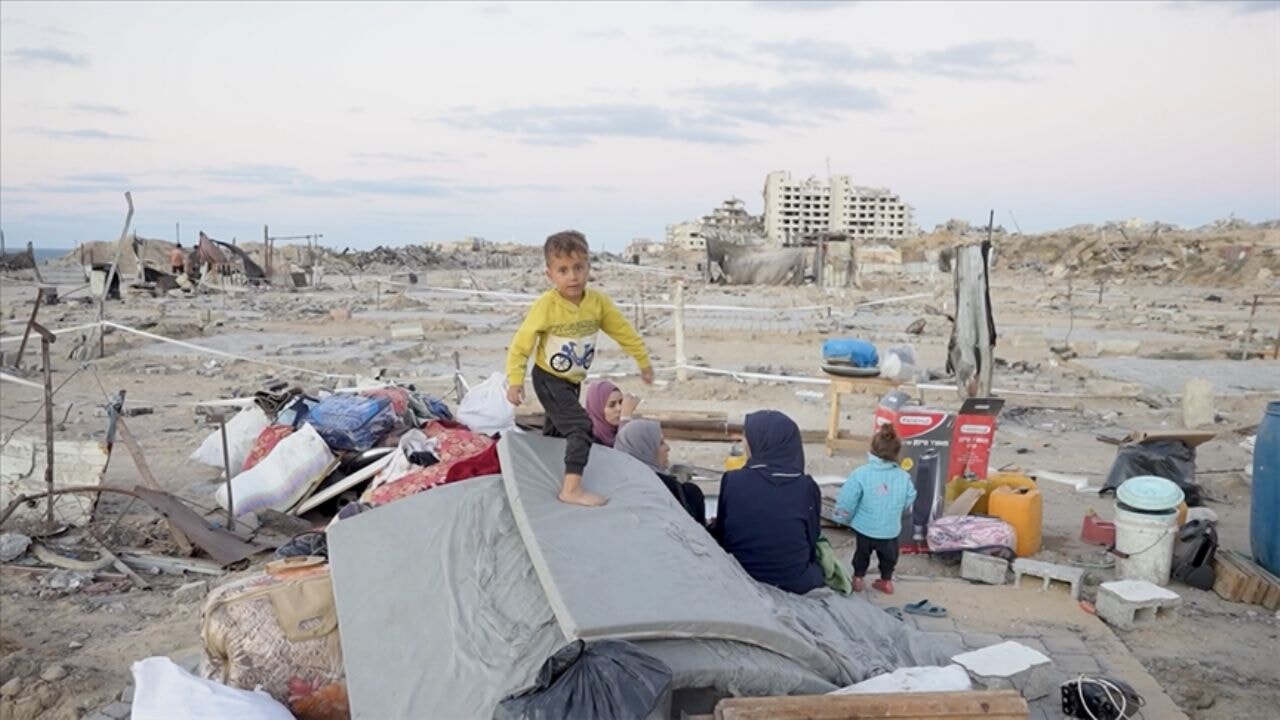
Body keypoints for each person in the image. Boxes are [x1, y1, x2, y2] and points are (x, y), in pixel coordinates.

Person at [506, 230, 653, 507]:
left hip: (572, 380)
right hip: (549, 378)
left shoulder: (597, 303)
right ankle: (571, 489)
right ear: (550, 274)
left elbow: (624, 332)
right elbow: (521, 344)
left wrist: (642, 361)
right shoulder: (547, 306)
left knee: (557, 430)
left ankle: (547, 474)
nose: (572, 276)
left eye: (578, 268)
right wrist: (516, 380)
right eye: (563, 270)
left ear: (588, 267)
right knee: (580, 426)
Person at [710, 410, 823, 594]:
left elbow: (723, 533)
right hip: (794, 582)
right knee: (820, 568)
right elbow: (812, 538)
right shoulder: (806, 487)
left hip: (739, 575)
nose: (744, 444)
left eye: (747, 438)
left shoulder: (732, 480)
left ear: (761, 442)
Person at [832, 424, 916, 594]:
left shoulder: (861, 473)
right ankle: (886, 582)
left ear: (872, 449)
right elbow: (910, 497)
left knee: (861, 555)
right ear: (897, 452)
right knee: (889, 558)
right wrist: (896, 508)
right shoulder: (903, 476)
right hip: (890, 530)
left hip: (865, 528)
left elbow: (848, 499)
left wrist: (841, 518)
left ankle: (858, 579)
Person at [615, 420, 706, 525]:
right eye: (660, 443)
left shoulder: (610, 486)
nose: (668, 448)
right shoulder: (673, 490)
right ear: (645, 449)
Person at [585, 380, 639, 447]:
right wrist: (625, 418)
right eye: (611, 405)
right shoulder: (589, 438)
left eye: (621, 402)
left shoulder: (621, 429)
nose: (619, 408)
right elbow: (622, 452)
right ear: (597, 408)